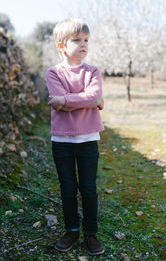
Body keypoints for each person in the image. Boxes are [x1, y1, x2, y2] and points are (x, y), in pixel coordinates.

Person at [45, 18, 105, 256]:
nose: (84, 44)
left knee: (88, 188)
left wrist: (69, 100)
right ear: (61, 46)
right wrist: (90, 101)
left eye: (86, 40)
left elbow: (91, 96)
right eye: (77, 40)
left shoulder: (93, 71)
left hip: (89, 140)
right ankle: (71, 230)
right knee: (67, 188)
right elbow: (81, 102)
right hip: (62, 142)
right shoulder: (54, 73)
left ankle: (91, 233)